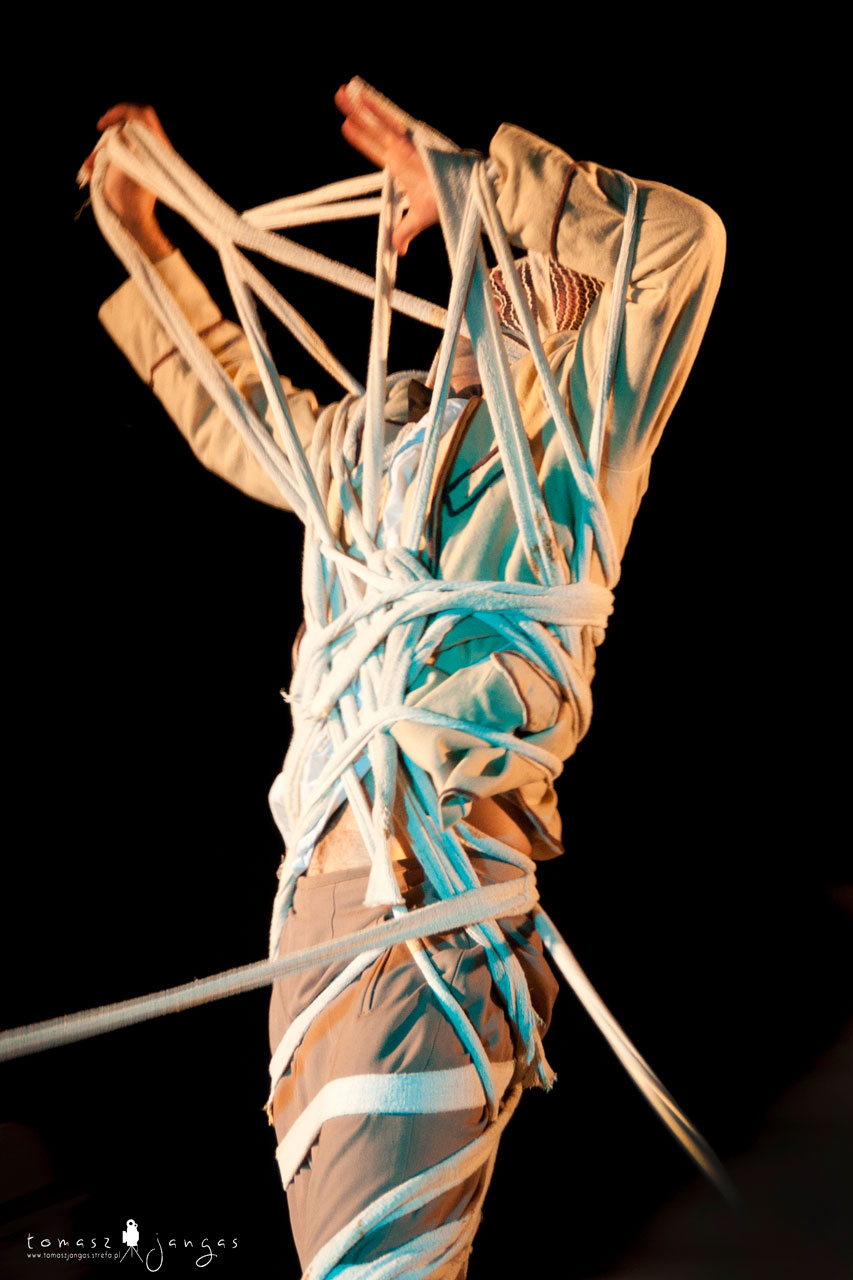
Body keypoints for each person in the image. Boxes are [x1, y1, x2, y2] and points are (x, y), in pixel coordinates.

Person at [81, 82, 726, 1278]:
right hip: (311, 935)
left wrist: (484, 181)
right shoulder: (366, 450)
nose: (515, 283)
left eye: (539, 271)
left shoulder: (571, 450)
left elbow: (683, 243)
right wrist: (139, 227)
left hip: (434, 902)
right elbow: (221, 398)